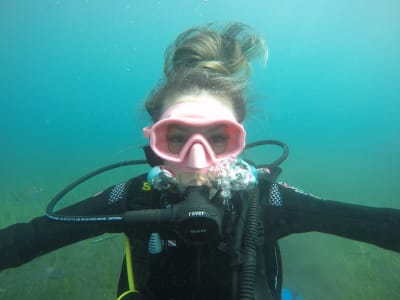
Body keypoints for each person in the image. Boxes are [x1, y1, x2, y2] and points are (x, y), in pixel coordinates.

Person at [1, 22, 399, 300]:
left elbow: (375, 224)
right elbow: (29, 238)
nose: (196, 159)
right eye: (176, 138)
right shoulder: (135, 197)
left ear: (239, 140)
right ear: (154, 141)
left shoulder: (266, 200)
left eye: (217, 138)